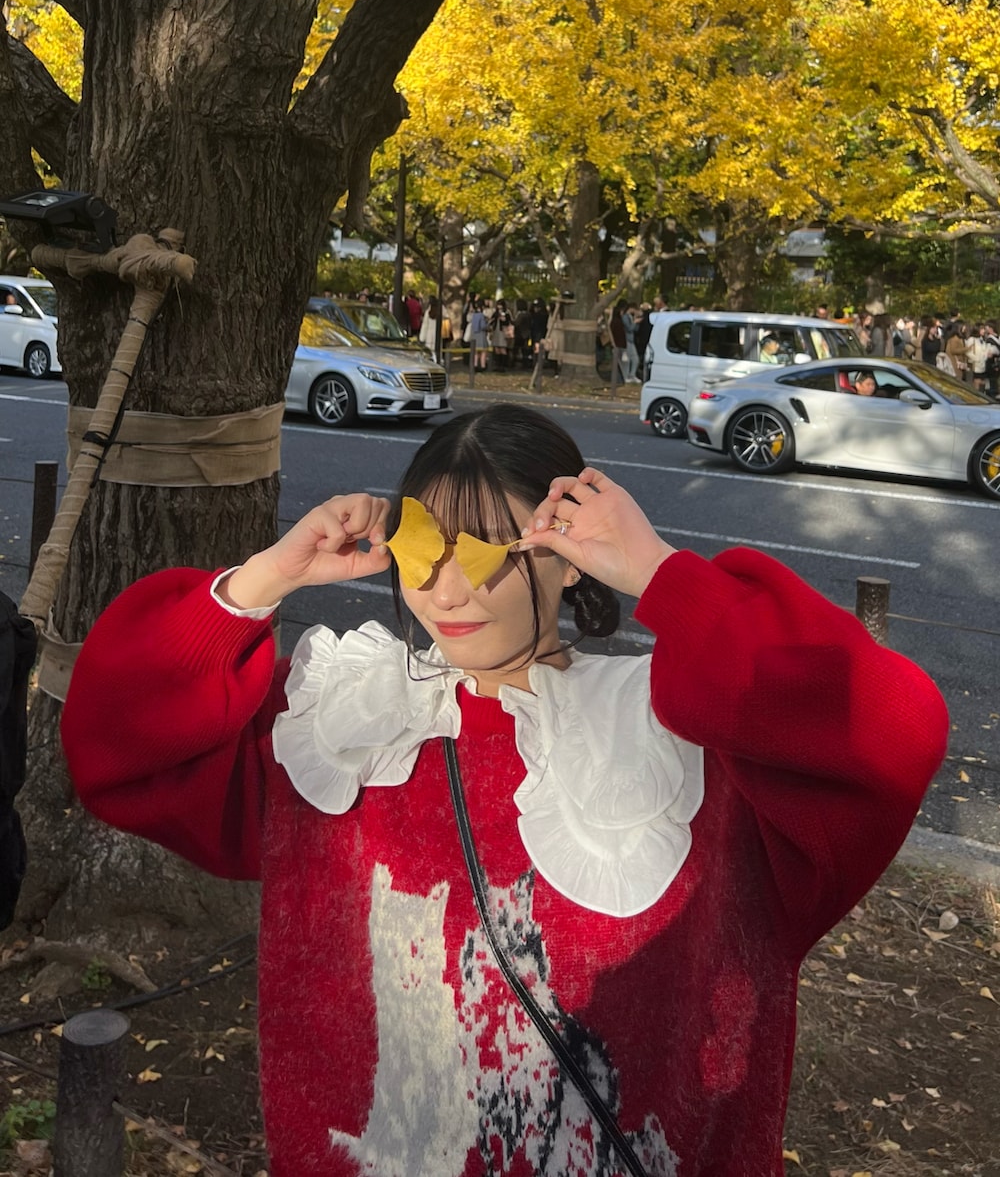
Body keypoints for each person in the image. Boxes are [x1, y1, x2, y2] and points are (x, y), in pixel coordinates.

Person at [61, 405, 947, 1177]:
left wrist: (661, 573)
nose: (445, 588)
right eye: (421, 547)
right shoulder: (343, 726)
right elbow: (115, 746)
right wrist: (266, 578)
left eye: (487, 550)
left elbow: (891, 732)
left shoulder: (685, 747)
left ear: (569, 557)